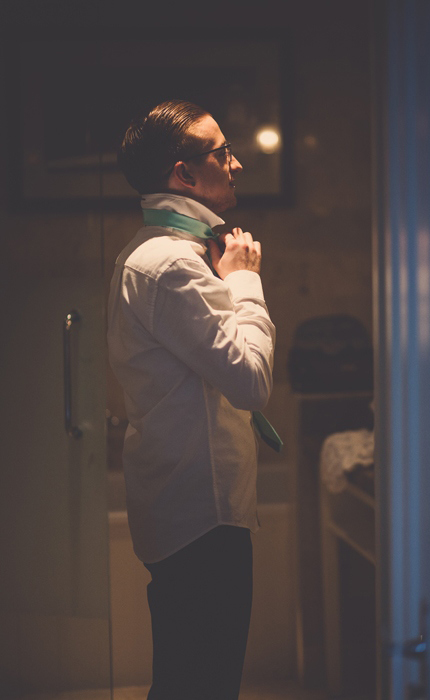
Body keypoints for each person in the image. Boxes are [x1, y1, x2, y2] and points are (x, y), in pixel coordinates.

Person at [107, 99, 276, 700]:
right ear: (183, 173)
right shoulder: (171, 264)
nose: (235, 164)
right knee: (201, 684)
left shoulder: (161, 254)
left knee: (191, 680)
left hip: (194, 506)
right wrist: (246, 281)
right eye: (221, 152)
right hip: (199, 516)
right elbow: (251, 381)